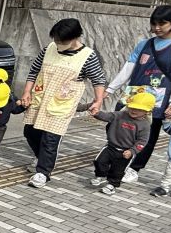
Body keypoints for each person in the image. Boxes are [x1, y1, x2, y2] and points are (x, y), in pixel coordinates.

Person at [106, 5, 171, 183]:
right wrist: (110, 89)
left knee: (148, 134)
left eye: (162, 23)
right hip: (133, 96)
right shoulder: (145, 44)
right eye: (154, 23)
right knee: (116, 125)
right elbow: (128, 68)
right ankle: (118, 160)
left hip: (158, 99)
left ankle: (134, 168)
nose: (156, 28)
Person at [20, 18, 107, 188]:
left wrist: (98, 101)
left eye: (62, 41)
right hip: (40, 98)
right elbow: (34, 70)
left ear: (76, 37)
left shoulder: (87, 56)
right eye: (56, 40)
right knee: (29, 131)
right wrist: (26, 91)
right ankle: (41, 157)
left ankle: (43, 172)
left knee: (50, 139)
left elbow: (98, 80)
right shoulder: (49, 48)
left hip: (61, 104)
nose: (58, 44)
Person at [87, 92, 154, 195]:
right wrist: (97, 113)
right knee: (99, 161)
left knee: (118, 170)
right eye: (132, 107)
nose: (134, 110)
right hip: (110, 146)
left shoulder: (145, 125)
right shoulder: (120, 115)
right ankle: (100, 175)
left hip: (126, 152)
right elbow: (107, 116)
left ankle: (112, 185)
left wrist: (132, 151)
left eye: (139, 109)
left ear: (147, 111)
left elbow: (142, 141)